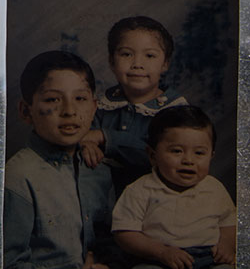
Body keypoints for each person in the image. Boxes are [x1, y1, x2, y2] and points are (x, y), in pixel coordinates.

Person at [3, 51, 119, 269]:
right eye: (53, 100)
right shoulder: (17, 177)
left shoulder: (99, 170)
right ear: (26, 111)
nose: (69, 110)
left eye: (80, 98)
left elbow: (112, 245)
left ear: (94, 106)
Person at [112, 104, 238, 269]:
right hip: (157, 261)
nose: (188, 160)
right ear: (153, 156)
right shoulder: (140, 190)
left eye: (199, 153)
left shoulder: (214, 188)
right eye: (177, 151)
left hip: (208, 260)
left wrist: (227, 244)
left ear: (211, 155)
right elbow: (125, 233)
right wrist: (161, 252)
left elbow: (228, 221)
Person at [79, 16, 189, 193]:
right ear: (111, 62)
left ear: (165, 64)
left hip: (157, 198)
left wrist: (105, 137)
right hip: (105, 196)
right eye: (126, 54)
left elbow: (160, 157)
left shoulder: (176, 113)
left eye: (150, 56)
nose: (138, 64)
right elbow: (83, 135)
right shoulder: (103, 104)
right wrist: (87, 145)